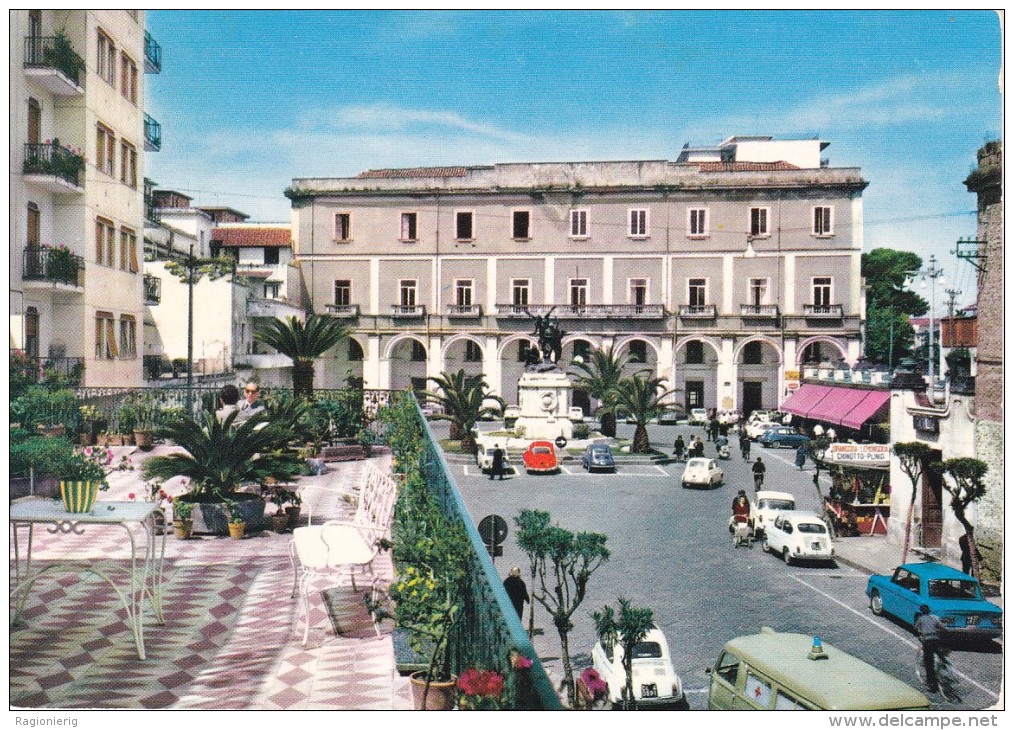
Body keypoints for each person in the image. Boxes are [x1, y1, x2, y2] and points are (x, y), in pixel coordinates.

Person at [914, 604, 946, 693]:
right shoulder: (933, 618)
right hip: (936, 640)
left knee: (929, 664)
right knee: (940, 655)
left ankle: (932, 685)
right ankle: (945, 666)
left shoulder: (920, 619)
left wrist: (919, 634)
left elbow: (915, 628)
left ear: (921, 611)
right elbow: (942, 627)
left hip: (927, 641)